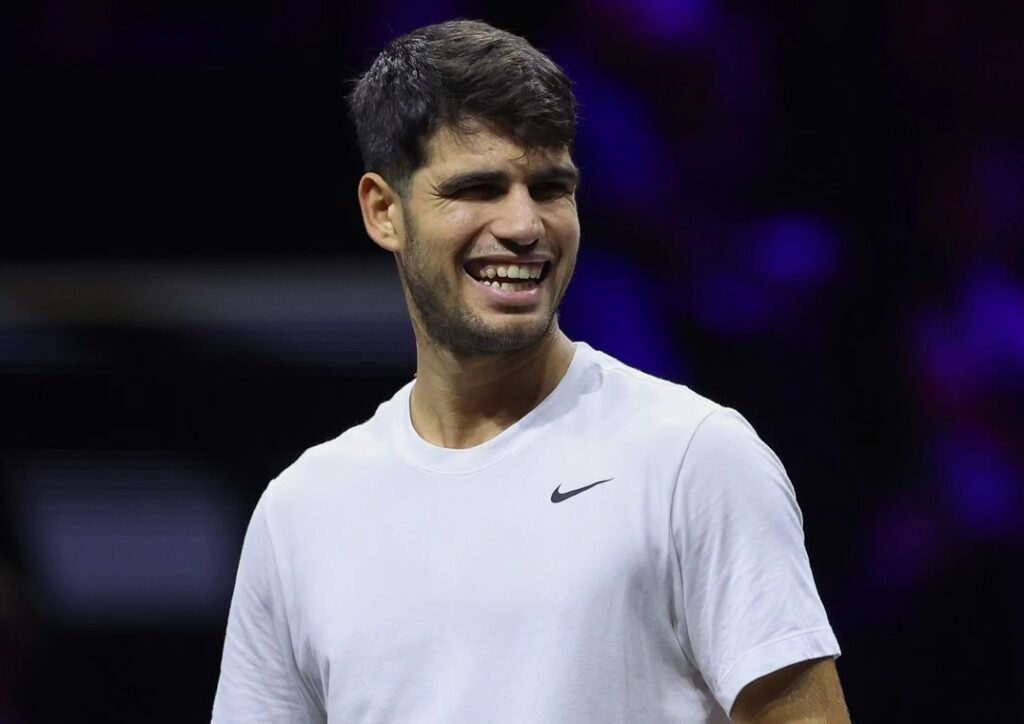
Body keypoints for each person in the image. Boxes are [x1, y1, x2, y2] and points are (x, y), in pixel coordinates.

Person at [211, 19, 849, 724]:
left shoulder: (694, 458)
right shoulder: (301, 513)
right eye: (479, 188)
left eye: (549, 188)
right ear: (384, 211)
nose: (524, 225)